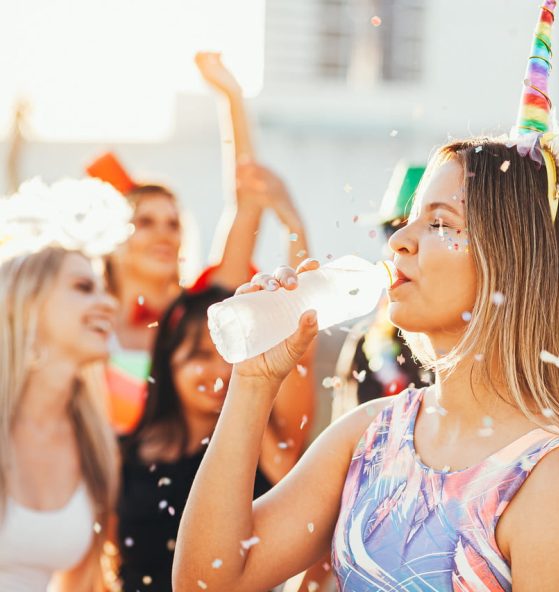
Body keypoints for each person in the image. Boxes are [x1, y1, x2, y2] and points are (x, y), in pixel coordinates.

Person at [173, 3, 559, 590]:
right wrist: (254, 381)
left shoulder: (558, 481)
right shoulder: (371, 435)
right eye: (410, 221)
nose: (402, 242)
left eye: (440, 224)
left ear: (516, 265)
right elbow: (209, 583)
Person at [90, 52, 311, 434]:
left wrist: (231, 97)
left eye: (173, 223)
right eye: (145, 221)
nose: (164, 233)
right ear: (113, 236)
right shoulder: (89, 320)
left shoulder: (197, 314)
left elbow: (247, 201)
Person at [113, 286, 309, 591]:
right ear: (170, 360)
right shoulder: (127, 454)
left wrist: (253, 390)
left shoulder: (260, 444)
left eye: (230, 355)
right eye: (201, 355)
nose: (221, 371)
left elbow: (294, 493)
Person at [0, 246, 119, 591]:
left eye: (104, 289)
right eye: (83, 287)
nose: (109, 304)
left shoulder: (97, 444)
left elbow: (79, 583)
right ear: (26, 304)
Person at [332, 161, 432, 418]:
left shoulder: (463, 345)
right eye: (391, 229)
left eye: (425, 229)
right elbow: (340, 433)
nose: (398, 243)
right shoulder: (363, 339)